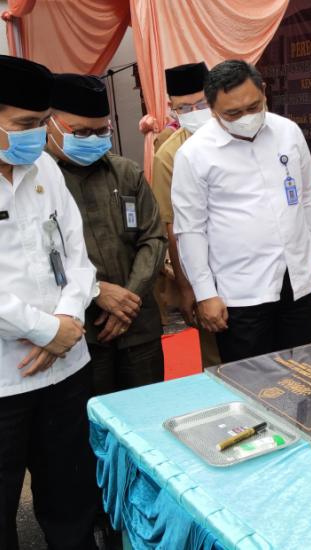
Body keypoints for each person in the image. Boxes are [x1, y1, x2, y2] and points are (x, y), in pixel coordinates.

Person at [0, 55, 97, 550]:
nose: (35, 135)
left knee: (71, 495)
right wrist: (45, 330)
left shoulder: (44, 169)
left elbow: (77, 256)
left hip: (66, 367)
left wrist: (68, 320)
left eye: (41, 123)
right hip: (4, 377)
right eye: (23, 124)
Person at [172, 60, 311, 363]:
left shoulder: (288, 132)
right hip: (241, 293)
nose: (246, 117)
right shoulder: (194, 155)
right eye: (232, 113)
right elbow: (190, 230)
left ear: (264, 92)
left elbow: (309, 195)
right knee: (253, 383)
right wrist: (205, 293)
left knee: (305, 375)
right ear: (213, 110)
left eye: (253, 106)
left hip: (296, 281)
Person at [46, 74, 167, 395]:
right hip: (80, 330)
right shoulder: (37, 183)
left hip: (138, 324)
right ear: (50, 126)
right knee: (91, 426)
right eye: (82, 132)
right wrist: (98, 291)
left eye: (102, 131)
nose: (93, 139)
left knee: (149, 413)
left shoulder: (126, 172)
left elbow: (153, 239)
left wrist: (129, 299)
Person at [151, 62, 221, 368]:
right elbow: (172, 228)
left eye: (202, 104)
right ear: (171, 108)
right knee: (220, 359)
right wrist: (187, 287)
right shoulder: (168, 156)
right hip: (206, 272)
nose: (195, 112)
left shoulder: (240, 134)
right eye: (185, 107)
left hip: (255, 271)